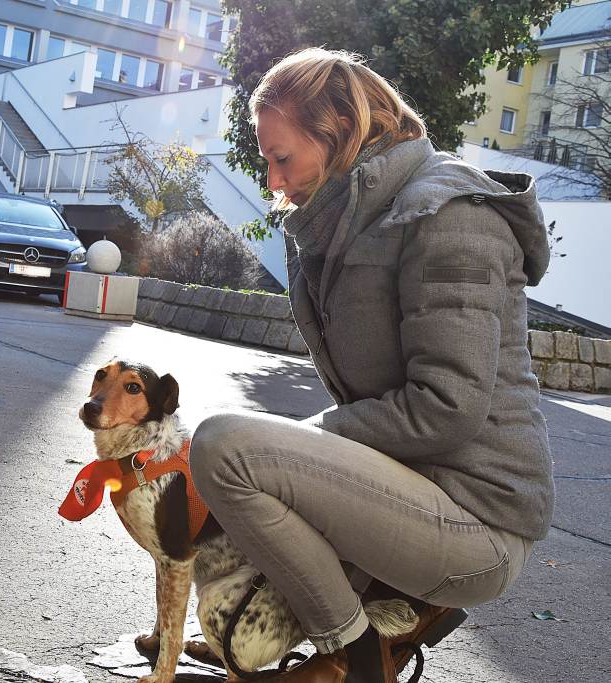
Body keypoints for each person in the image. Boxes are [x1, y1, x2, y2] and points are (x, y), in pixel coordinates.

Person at [190, 48, 553, 682]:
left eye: (282, 159)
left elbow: (447, 406)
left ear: (339, 136)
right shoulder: (339, 228)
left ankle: (352, 662)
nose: (273, 182)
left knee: (226, 446)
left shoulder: (447, 214)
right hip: (407, 493)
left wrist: (308, 440)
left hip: (477, 519)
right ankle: (368, 631)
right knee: (234, 614)